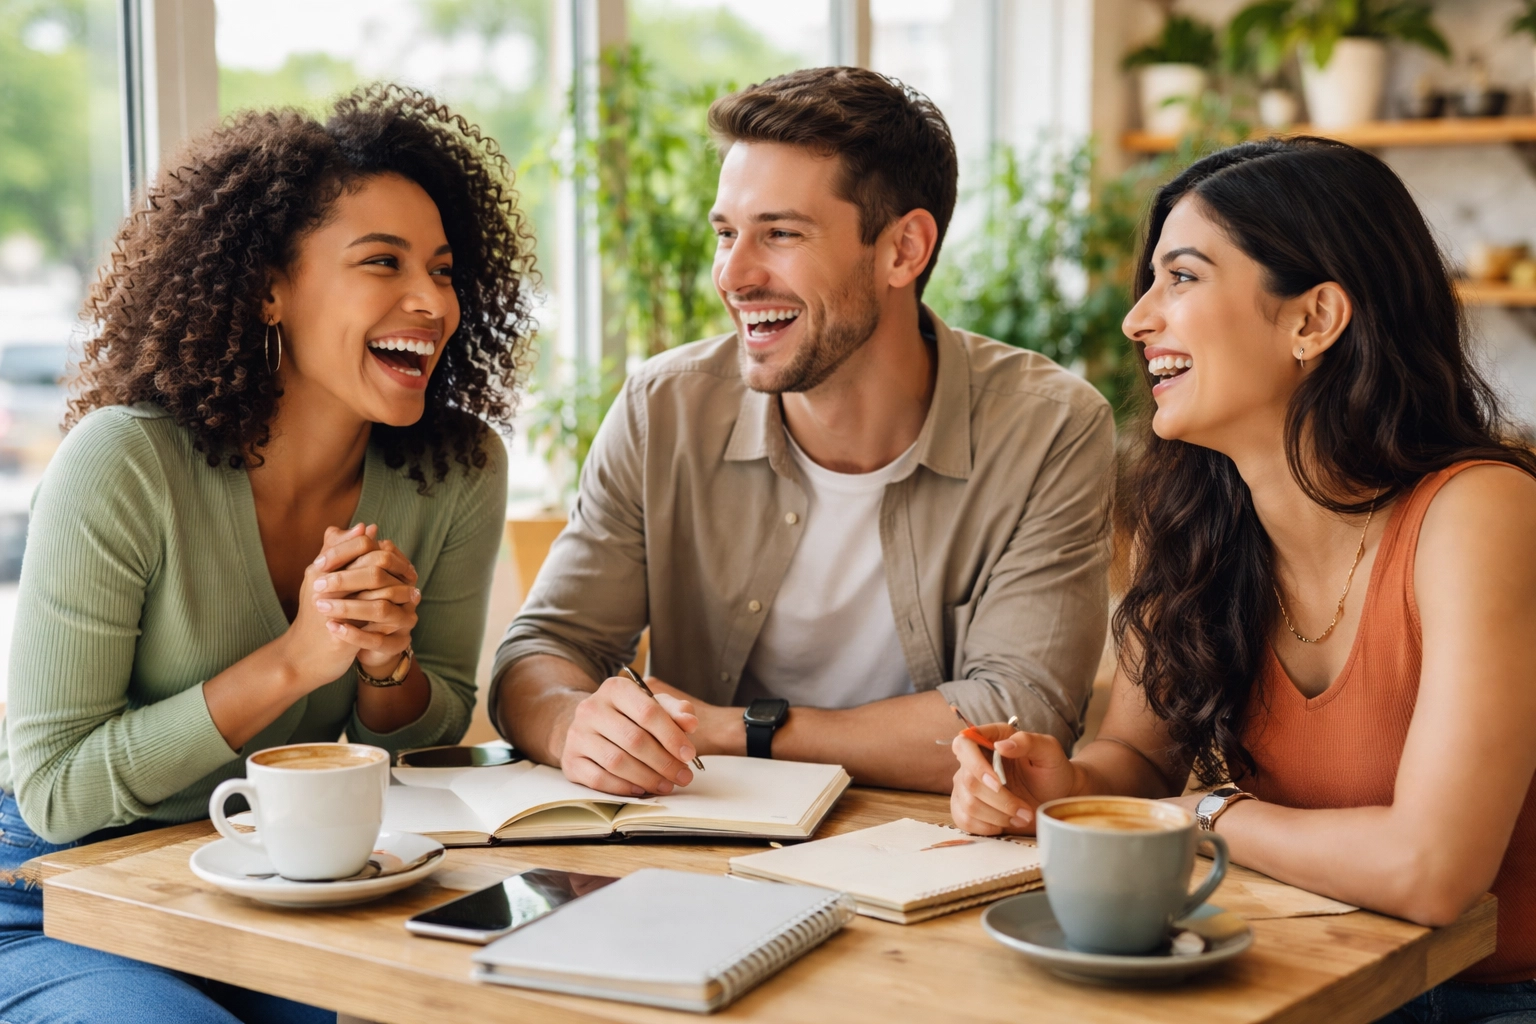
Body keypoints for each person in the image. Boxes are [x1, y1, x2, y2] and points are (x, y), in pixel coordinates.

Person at [949, 137, 1536, 1020]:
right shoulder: (1193, 519)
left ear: (1314, 319)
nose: (1136, 320)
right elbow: (1140, 761)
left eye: (1181, 278)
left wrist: (1206, 814)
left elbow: (1431, 871)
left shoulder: (1480, 512)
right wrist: (1060, 789)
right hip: (1300, 969)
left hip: (1491, 996)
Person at [0, 85, 534, 1024]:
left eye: (444, 271)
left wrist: (386, 666)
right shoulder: (124, 463)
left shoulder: (454, 469)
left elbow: (418, 748)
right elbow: (57, 792)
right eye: (383, 262)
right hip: (58, 893)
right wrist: (294, 661)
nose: (431, 301)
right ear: (267, 289)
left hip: (276, 875)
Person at [493, 66, 1113, 798]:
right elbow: (543, 648)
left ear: (903, 250)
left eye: (781, 233)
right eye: (726, 234)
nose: (734, 275)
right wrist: (573, 725)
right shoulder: (662, 410)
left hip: (930, 845)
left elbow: (1021, 719)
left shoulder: (1049, 429)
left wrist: (741, 730)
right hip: (698, 837)